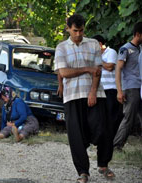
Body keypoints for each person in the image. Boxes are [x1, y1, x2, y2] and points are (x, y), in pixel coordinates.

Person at [54, 14, 115, 183]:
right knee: (76, 136)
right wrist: (87, 69)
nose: (79, 34)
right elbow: (64, 72)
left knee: (103, 128)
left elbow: (97, 70)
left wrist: (93, 92)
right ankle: (83, 172)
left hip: (95, 93)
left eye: (81, 30)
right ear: (68, 29)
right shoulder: (61, 48)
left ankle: (103, 164)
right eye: (75, 31)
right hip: (72, 95)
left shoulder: (93, 44)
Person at [113, 22, 142, 150]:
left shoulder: (139, 50)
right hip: (131, 88)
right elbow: (118, 69)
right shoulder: (125, 49)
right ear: (138, 34)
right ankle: (117, 146)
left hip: (139, 88)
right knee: (129, 118)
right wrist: (119, 91)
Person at [93, 35, 123, 140]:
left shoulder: (111, 52)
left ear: (100, 44)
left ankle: (111, 139)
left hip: (111, 89)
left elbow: (110, 67)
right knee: (100, 115)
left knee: (111, 115)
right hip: (100, 89)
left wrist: (98, 59)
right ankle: (100, 138)